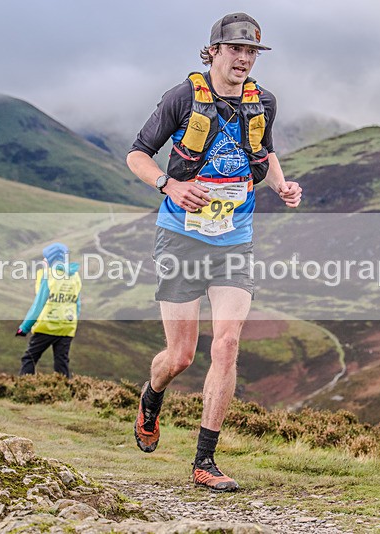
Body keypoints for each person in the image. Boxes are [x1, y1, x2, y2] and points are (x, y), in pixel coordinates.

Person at [126, 12, 302, 491]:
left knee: (226, 345)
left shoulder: (262, 100)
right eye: (235, 49)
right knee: (180, 356)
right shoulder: (182, 97)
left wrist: (283, 186)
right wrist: (169, 186)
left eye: (252, 52)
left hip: (234, 238)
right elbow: (137, 154)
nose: (243, 58)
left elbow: (264, 155)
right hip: (181, 236)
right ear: (214, 51)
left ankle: (205, 461)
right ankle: (152, 395)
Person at [15, 242, 81, 378]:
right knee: (61, 362)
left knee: (29, 358)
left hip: (47, 326)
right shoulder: (75, 276)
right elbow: (77, 304)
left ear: (50, 258)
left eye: (45, 257)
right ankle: (64, 394)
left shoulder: (49, 276)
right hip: (67, 327)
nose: (43, 260)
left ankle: (24, 389)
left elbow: (38, 304)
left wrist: (24, 327)